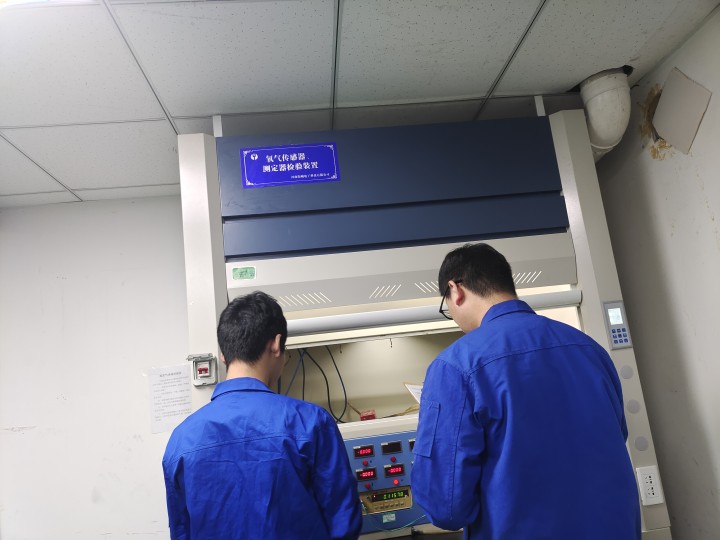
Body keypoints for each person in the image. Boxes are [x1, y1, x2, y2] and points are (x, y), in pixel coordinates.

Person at [411, 243, 640, 540]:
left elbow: (447, 508)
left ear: (455, 290)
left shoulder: (456, 366)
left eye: (447, 307)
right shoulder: (590, 350)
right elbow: (615, 436)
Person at [162, 291, 362, 540]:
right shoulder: (311, 422)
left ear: (223, 354)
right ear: (276, 344)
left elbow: (182, 532)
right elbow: (343, 523)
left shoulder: (181, 440)